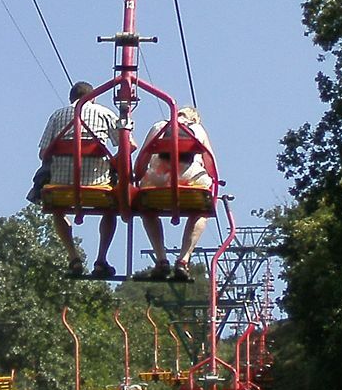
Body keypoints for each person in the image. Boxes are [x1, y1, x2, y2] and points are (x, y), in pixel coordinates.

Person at [36, 81, 120, 278]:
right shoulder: (104, 113)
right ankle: (101, 259)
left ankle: (73, 257)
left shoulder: (58, 115)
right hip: (97, 185)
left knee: (57, 209)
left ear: (71, 99)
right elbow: (129, 146)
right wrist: (112, 162)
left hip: (62, 187)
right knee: (111, 209)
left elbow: (43, 154)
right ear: (94, 97)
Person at [134, 106, 216, 281]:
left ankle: (161, 258)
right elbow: (210, 162)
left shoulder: (159, 126)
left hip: (159, 179)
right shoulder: (197, 129)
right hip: (190, 179)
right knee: (201, 211)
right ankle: (184, 259)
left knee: (147, 210)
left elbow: (143, 158)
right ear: (194, 118)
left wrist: (138, 177)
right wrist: (212, 181)